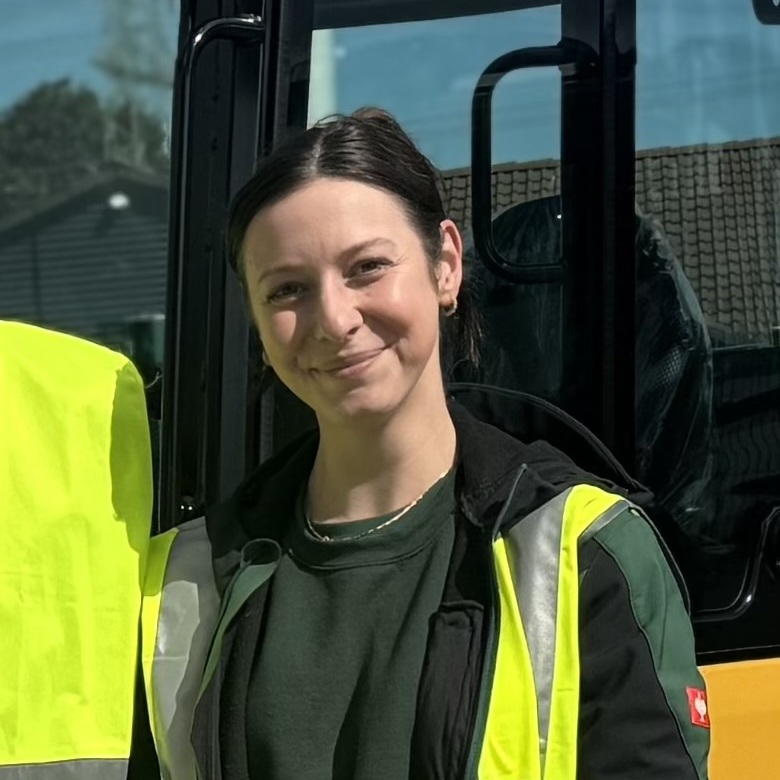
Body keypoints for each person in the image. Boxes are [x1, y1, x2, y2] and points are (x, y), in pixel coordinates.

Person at [142, 108, 711, 780]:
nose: (334, 319)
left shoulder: (584, 551)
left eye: (367, 267)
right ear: (259, 326)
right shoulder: (188, 580)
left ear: (445, 265)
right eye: (288, 290)